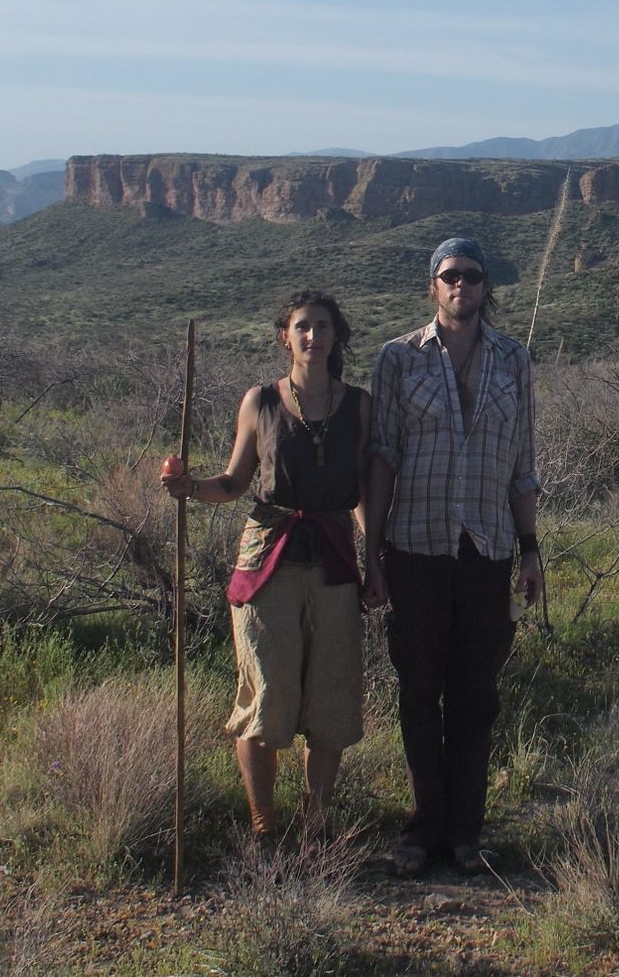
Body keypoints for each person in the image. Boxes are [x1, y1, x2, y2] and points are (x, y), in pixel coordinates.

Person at [361, 236, 543, 876]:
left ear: (487, 286)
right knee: (417, 693)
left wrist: (531, 550)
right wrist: (372, 552)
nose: (460, 286)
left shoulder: (513, 360)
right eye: (449, 276)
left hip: (487, 549)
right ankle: (422, 829)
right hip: (414, 546)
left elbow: (523, 462)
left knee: (475, 695)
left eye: (471, 276)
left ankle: (466, 831)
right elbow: (381, 457)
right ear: (432, 287)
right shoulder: (398, 359)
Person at [159, 289, 372, 836]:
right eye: (303, 327)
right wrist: (188, 487)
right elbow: (232, 482)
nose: (313, 337)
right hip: (268, 557)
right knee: (268, 692)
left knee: (330, 698)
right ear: (286, 336)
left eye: (323, 327)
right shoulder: (261, 401)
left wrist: (378, 566)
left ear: (335, 336)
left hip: (333, 561)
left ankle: (316, 823)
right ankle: (264, 823)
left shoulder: (360, 405)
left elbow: (367, 492)